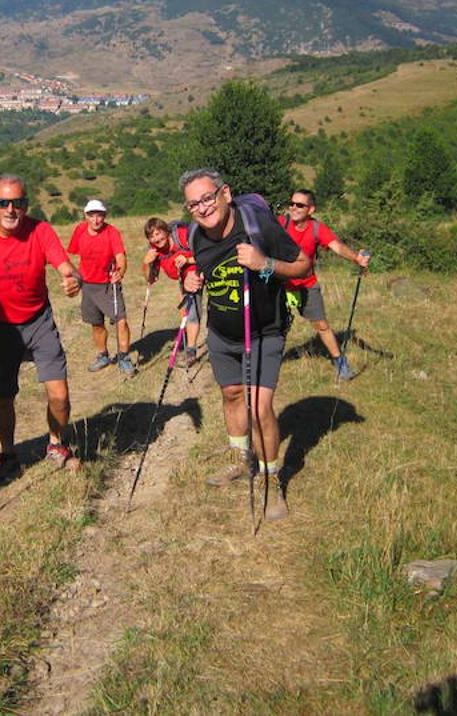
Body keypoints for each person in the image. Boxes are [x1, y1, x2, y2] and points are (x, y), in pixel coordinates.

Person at [179, 168, 310, 520]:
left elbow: (303, 264)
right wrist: (191, 281)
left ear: (225, 193)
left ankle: (272, 482)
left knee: (258, 408)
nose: (203, 208)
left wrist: (264, 263)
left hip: (265, 330)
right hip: (222, 334)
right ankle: (243, 461)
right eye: (194, 204)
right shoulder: (195, 235)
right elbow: (204, 273)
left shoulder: (257, 226)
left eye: (207, 198)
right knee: (232, 395)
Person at [0, 174, 83, 485]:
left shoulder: (40, 230)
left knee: (60, 396)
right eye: (3, 203)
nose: (11, 210)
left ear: (26, 205)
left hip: (38, 320)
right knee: (3, 396)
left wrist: (72, 277)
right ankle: (8, 455)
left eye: (18, 203)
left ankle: (55, 444)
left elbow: (64, 264)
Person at [279, 189, 371, 380]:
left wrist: (356, 259)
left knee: (321, 325)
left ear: (311, 209)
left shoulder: (317, 229)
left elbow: (336, 246)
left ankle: (339, 361)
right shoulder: (281, 223)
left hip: (306, 284)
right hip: (280, 284)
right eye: (292, 204)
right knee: (274, 326)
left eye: (300, 205)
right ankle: (270, 361)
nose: (294, 208)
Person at [67, 200, 134, 375]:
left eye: (100, 215)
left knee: (121, 320)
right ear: (85, 216)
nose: (96, 220)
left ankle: (124, 357)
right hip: (88, 285)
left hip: (108, 285)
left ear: (104, 216)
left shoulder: (112, 232)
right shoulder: (80, 230)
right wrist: (75, 276)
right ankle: (103, 355)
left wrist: (120, 272)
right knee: (96, 324)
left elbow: (121, 257)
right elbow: (73, 255)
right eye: (92, 215)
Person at [141, 216, 201, 367]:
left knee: (194, 308)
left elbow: (206, 253)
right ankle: (191, 351)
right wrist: (146, 263)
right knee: (190, 311)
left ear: (167, 232)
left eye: (158, 233)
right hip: (184, 279)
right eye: (151, 236)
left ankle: (194, 348)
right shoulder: (154, 251)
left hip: (201, 269)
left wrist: (188, 261)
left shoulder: (182, 236)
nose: (156, 238)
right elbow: (151, 279)